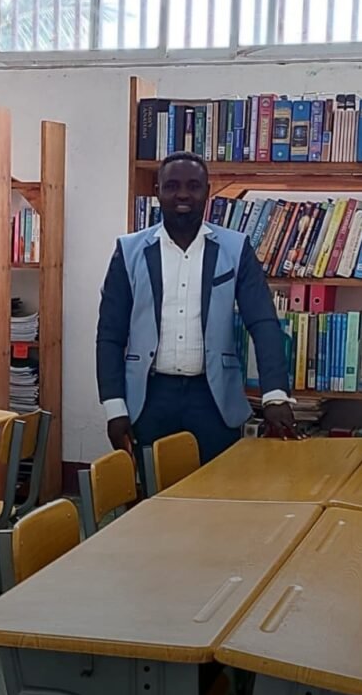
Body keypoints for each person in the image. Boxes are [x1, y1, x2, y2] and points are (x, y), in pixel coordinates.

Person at [96, 151, 296, 467]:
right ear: (157, 191)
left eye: (193, 186)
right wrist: (114, 406)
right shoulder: (129, 250)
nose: (183, 195)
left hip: (214, 399)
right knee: (155, 493)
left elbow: (263, 323)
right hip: (149, 398)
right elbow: (110, 334)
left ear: (207, 191)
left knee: (217, 492)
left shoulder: (236, 248)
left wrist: (275, 393)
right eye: (172, 186)